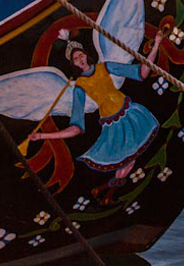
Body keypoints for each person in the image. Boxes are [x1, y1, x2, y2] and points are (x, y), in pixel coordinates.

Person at [28, 30, 164, 203]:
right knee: (127, 161)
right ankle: (108, 191)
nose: (80, 60)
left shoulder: (104, 67)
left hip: (130, 113)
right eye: (75, 59)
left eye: (81, 55)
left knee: (129, 160)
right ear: (73, 64)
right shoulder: (80, 87)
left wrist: (157, 44)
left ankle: (107, 190)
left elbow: (141, 72)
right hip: (113, 125)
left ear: (86, 54)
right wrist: (43, 136)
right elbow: (76, 127)